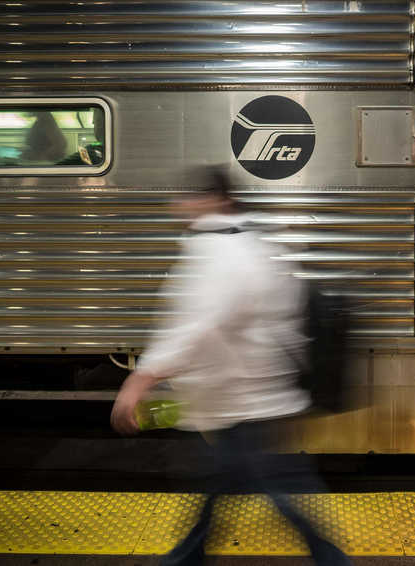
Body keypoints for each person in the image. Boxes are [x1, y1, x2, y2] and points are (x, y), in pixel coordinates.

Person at [110, 166, 349, 566]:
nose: (179, 205)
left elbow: (197, 325)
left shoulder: (221, 253)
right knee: (227, 485)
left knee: (271, 488)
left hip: (243, 399)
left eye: (189, 196)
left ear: (214, 200)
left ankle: (331, 560)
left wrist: (141, 378)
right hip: (247, 393)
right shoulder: (247, 241)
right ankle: (189, 558)